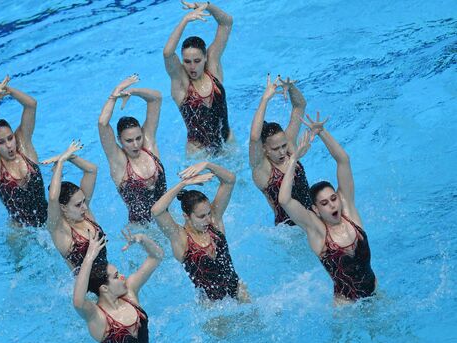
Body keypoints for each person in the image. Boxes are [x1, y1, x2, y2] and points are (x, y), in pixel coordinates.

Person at [278, 113, 376, 303]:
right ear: (316, 209)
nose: (332, 205)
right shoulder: (318, 231)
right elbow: (284, 200)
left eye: (333, 199)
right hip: (347, 308)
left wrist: (321, 132)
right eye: (324, 203)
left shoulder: (349, 212)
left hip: (375, 292)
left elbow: (343, 160)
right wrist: (293, 159)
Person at [151, 162, 249, 302]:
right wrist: (183, 184)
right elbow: (156, 211)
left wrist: (207, 164)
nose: (208, 219)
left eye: (208, 213)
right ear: (186, 216)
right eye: (201, 216)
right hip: (211, 309)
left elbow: (229, 180)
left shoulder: (214, 221)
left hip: (239, 294)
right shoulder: (181, 238)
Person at [73, 228, 163, 343]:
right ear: (104, 288)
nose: (122, 277)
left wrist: (143, 239)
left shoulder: (130, 293)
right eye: (116, 276)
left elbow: (157, 256)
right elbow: (78, 302)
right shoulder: (99, 318)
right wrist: (89, 257)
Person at [0, 75, 47, 227]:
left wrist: (6, 89)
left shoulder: (24, 147)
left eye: (10, 138)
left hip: (49, 219)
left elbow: (31, 105)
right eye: (1, 142)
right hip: (22, 233)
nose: (9, 145)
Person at [163, 1, 233, 155]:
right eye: (187, 62)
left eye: (197, 61)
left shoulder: (213, 68)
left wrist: (206, 5)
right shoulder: (181, 84)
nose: (192, 67)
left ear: (206, 57)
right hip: (199, 154)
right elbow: (168, 53)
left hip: (227, 143)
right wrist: (185, 20)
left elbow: (226, 22)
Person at [97, 75, 166, 224]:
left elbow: (156, 98)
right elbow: (102, 124)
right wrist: (114, 95)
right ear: (119, 140)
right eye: (129, 141)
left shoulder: (148, 145)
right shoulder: (119, 161)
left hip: (167, 218)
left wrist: (132, 91)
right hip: (143, 229)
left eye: (138, 138)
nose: (135, 145)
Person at [249, 74, 312, 226]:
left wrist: (290, 87)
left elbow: (300, 106)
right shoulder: (261, 168)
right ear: (264, 149)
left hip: (312, 216)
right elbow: (254, 137)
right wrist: (265, 99)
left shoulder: (290, 145)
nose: (283, 152)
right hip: (290, 231)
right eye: (276, 148)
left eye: (283, 146)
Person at [45, 141, 107, 277]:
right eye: (78, 204)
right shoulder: (60, 229)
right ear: (63, 208)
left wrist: (70, 157)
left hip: (108, 280)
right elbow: (53, 198)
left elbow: (91, 170)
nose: (84, 207)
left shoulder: (85, 214)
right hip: (87, 291)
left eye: (84, 201)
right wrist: (60, 162)